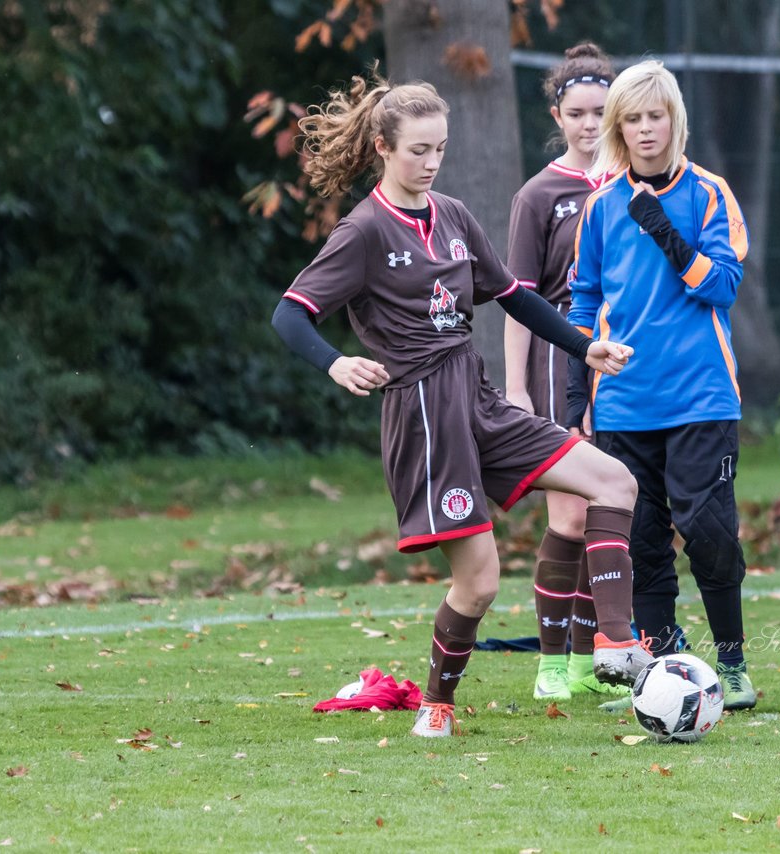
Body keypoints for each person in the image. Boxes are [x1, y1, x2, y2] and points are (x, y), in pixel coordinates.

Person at [271, 68, 654, 738]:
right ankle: (436, 704)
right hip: (424, 414)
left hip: (475, 395)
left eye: (439, 149)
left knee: (613, 480)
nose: (431, 162)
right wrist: (335, 363)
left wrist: (584, 344)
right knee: (478, 584)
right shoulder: (363, 233)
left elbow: (512, 294)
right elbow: (290, 315)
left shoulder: (453, 215)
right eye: (418, 150)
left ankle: (615, 646)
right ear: (383, 148)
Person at [567, 59, 757, 710]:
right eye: (633, 119)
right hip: (623, 404)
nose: (646, 129)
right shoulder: (599, 206)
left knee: (707, 531)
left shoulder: (709, 193)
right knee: (642, 543)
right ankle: (664, 670)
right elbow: (583, 303)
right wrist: (574, 396)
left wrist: (665, 232)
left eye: (657, 116)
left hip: (702, 398)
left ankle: (731, 663)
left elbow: (723, 286)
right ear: (618, 129)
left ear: (675, 121)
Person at [503, 42, 631, 705]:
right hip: (564, 360)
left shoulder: (638, 182)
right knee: (573, 513)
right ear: (558, 114)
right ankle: (555, 661)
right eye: (577, 112)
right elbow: (517, 302)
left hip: (632, 359)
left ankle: (601, 655)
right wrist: (519, 388)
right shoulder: (539, 194)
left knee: (621, 505)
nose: (589, 124)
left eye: (601, 112)